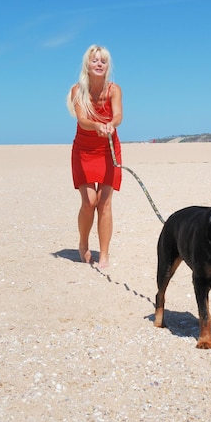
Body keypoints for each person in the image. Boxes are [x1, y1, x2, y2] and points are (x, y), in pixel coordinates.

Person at [67, 45, 122, 268]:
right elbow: (81, 119)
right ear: (87, 65)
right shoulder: (77, 90)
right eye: (95, 61)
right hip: (84, 150)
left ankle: (105, 254)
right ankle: (83, 243)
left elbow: (118, 115)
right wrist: (96, 125)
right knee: (89, 201)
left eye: (103, 61)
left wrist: (111, 124)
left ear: (108, 66)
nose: (99, 64)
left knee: (105, 202)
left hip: (109, 150)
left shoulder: (114, 89)